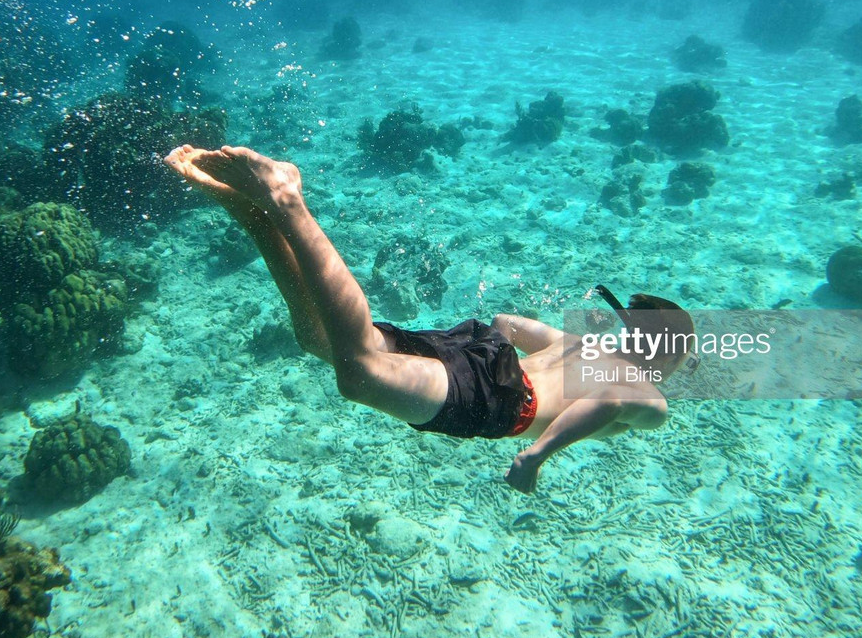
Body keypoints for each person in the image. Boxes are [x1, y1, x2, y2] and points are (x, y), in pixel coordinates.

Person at [163, 145, 696, 493]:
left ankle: (255, 215)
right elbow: (618, 400)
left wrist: (481, 355)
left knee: (318, 338)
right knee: (361, 372)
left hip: (488, 356)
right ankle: (286, 199)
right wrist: (536, 456)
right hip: (504, 400)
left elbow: (510, 323)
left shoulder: (583, 346)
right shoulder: (649, 394)